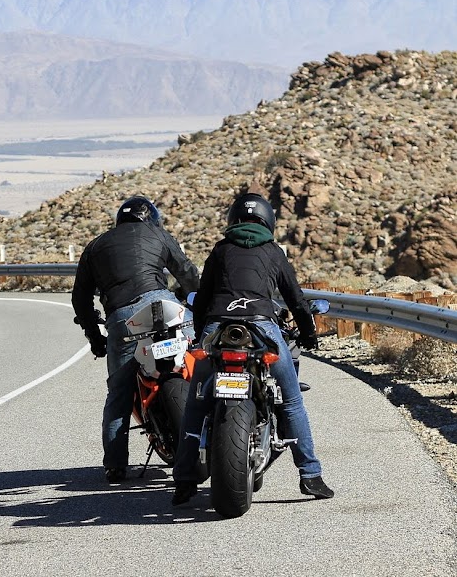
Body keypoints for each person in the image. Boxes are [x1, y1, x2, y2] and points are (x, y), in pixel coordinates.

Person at [172, 192, 333, 505]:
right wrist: (308, 333)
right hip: (261, 325)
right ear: (268, 221)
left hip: (218, 327)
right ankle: (310, 474)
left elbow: (202, 300)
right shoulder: (273, 251)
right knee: (291, 400)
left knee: (196, 403)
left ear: (233, 220)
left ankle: (184, 480)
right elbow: (296, 300)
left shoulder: (220, 250)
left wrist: (202, 333)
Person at [72, 196, 200, 484]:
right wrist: (200, 302)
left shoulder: (94, 246)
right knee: (200, 355)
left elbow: (80, 299)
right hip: (165, 305)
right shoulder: (158, 234)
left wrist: (95, 338)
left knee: (119, 391)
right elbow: (188, 273)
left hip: (124, 318)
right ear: (152, 218)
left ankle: (115, 466)